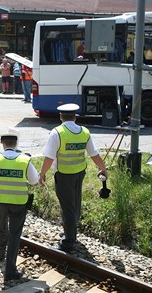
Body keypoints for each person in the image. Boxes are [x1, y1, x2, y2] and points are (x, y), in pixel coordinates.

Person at [38, 103, 109, 252]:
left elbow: (49, 158)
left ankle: (69, 241)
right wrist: (103, 169)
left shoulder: (57, 133)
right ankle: (70, 231)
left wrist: (42, 173)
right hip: (79, 173)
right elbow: (94, 154)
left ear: (60, 117)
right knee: (75, 203)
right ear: (75, 117)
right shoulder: (84, 132)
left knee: (67, 207)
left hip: (64, 175)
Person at [0, 129, 39, 281]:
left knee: (1, 224)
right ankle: (10, 270)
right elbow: (34, 181)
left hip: (1, 201)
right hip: (19, 202)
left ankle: (0, 252)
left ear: (2, 144)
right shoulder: (25, 160)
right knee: (15, 234)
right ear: (16, 144)